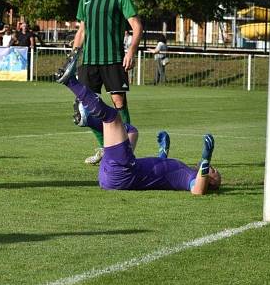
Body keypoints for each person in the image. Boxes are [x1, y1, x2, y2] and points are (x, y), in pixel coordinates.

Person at [55, 54, 220, 194]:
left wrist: (206, 158)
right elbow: (157, 173)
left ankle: (70, 82)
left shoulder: (190, 178)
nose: (213, 168)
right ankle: (89, 120)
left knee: (112, 117)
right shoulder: (185, 172)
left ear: (210, 181)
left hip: (122, 174)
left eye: (215, 172)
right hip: (118, 173)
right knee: (131, 130)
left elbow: (197, 190)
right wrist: (163, 152)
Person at [71, 0, 143, 165]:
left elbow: (136, 26)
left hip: (112, 60)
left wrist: (131, 51)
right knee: (87, 107)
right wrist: (73, 57)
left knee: (118, 102)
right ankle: (106, 147)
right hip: (89, 61)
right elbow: (82, 31)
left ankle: (127, 148)